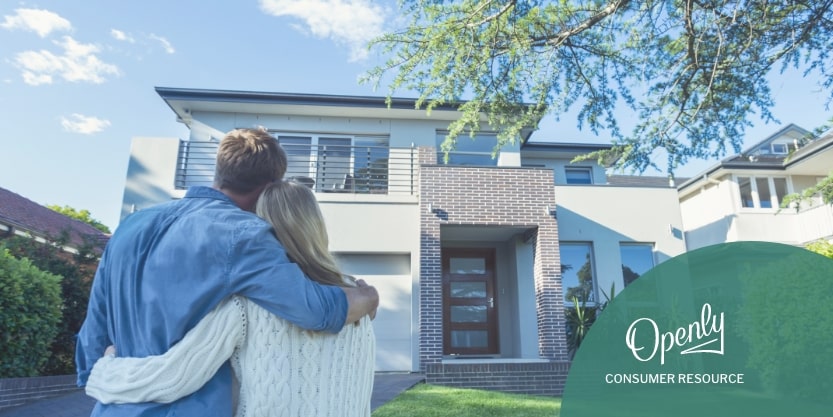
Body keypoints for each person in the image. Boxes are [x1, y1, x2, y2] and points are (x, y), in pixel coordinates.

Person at [75, 128, 379, 417]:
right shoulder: (245, 234)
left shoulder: (130, 226)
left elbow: (93, 331)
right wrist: (367, 297)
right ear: (270, 187)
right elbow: (312, 310)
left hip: (111, 406)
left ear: (220, 170)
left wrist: (103, 379)